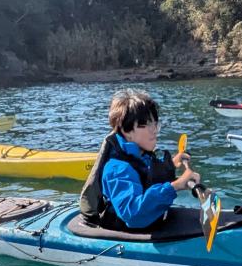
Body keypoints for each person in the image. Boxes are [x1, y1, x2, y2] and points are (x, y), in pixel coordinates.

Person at [79, 89, 200, 231]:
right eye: (146, 124)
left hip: (154, 223)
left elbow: (147, 177)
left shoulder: (141, 155)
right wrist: (175, 186)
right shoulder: (117, 169)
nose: (154, 130)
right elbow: (133, 215)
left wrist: (173, 165)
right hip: (128, 231)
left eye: (155, 123)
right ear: (126, 130)